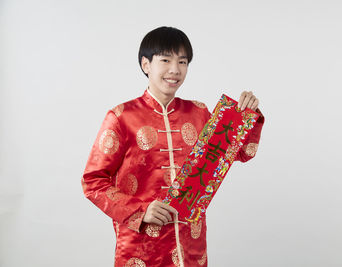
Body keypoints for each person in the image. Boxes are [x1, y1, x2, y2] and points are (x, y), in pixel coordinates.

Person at [82, 26, 264, 267]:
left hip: (190, 245)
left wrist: (247, 115)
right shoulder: (121, 116)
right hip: (140, 247)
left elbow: (238, 152)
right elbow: (93, 181)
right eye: (165, 60)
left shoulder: (199, 113)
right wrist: (140, 211)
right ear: (146, 65)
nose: (175, 70)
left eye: (182, 61)